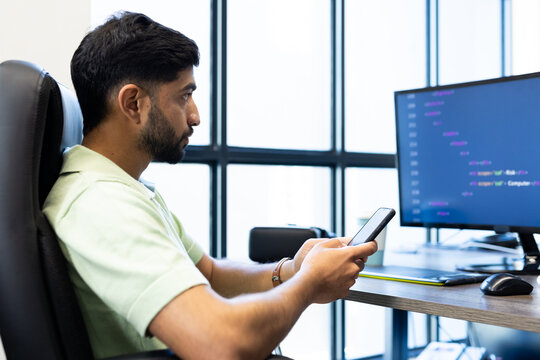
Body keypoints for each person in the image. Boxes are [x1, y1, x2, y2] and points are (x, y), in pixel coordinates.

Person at [43, 11, 377, 360]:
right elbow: (221, 344)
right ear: (133, 103)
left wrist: (292, 269)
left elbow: (212, 274)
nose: (195, 116)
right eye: (183, 96)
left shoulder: (122, 188)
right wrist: (310, 284)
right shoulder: (101, 204)